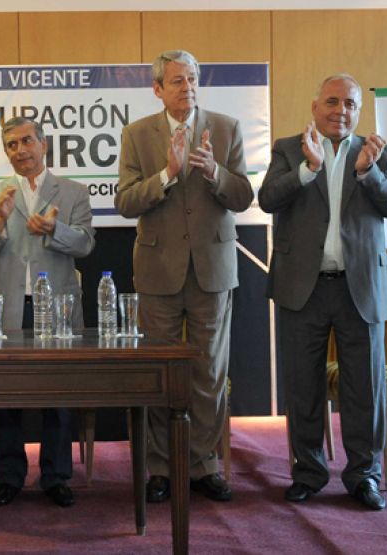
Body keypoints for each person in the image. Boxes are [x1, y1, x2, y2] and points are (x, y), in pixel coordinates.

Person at [259, 74, 387, 511]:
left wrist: (368, 173)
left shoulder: (378, 152)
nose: (339, 110)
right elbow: (267, 199)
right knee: (301, 387)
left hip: (358, 288)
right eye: (331, 101)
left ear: (357, 110)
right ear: (314, 106)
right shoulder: (289, 149)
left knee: (365, 388)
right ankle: (308, 472)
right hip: (301, 288)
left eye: (349, 103)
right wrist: (307, 170)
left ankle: (364, 475)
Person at [114, 50, 252, 503]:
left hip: (212, 269)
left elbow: (243, 196)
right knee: (160, 374)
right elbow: (126, 202)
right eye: (176, 81)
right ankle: (160, 467)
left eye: (192, 79)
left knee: (208, 372)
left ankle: (201, 465)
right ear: (157, 89)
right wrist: (168, 174)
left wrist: (214, 171)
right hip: (158, 271)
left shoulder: (226, 128)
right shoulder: (137, 135)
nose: (187, 87)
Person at [0, 117, 95, 508]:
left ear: (43, 144)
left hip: (54, 306)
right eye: (10, 145)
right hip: (6, 307)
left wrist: (55, 231)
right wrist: (2, 221)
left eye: (26, 141)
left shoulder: (73, 192)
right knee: (5, 395)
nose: (19, 150)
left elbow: (87, 244)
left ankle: (56, 477)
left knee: (57, 395)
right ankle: (8, 476)